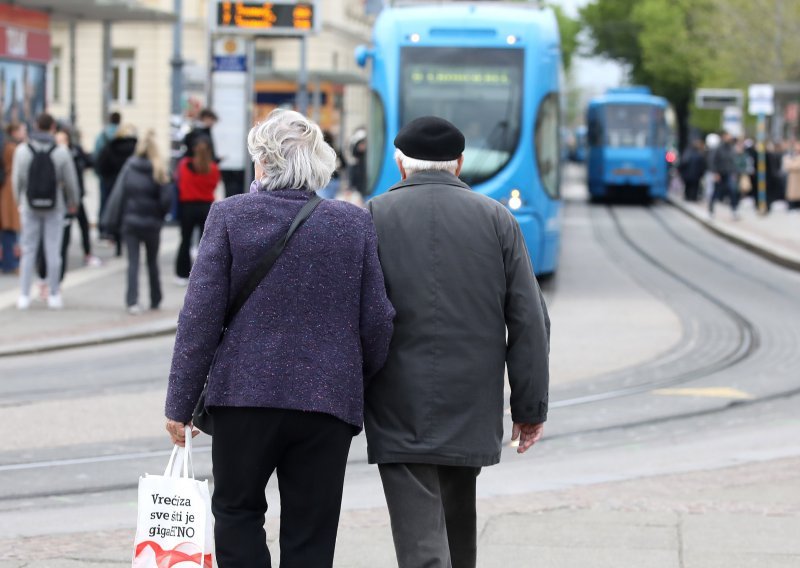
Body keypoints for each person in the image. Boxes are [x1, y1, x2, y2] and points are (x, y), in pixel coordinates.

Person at [164, 109, 395, 567]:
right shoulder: (353, 223)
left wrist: (180, 403)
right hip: (326, 403)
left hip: (242, 398)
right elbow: (378, 321)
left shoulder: (229, 216)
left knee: (236, 512)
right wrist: (349, 374)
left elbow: (199, 318)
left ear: (263, 162)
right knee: (312, 529)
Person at [364, 116, 550, 568]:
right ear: (460, 164)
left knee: (422, 545)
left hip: (396, 399)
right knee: (457, 523)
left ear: (400, 164)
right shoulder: (497, 219)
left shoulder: (371, 216)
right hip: (472, 398)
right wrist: (529, 408)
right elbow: (530, 319)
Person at [13, 113, 79, 310]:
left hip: (29, 205)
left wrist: (20, 201)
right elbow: (71, 181)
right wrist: (73, 201)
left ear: (35, 125)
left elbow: (17, 180)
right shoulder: (60, 152)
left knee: (29, 250)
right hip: (55, 206)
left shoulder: (23, 150)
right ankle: (54, 295)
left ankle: (24, 296)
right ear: (52, 128)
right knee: (53, 251)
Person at [101, 130, 171, 314]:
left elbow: (119, 195)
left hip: (130, 222)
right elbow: (166, 201)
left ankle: (132, 301)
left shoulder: (129, 167)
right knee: (152, 262)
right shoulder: (159, 170)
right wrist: (160, 215)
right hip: (151, 224)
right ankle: (155, 299)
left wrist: (112, 219)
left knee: (132, 262)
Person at [174, 139, 220, 285]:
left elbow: (178, 181)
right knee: (204, 242)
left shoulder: (184, 165)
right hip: (205, 206)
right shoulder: (212, 168)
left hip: (187, 206)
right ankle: (202, 272)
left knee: (185, 240)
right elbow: (214, 184)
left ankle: (182, 273)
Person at [97, 123, 138, 255]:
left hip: (113, 183)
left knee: (115, 212)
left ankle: (117, 240)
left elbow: (101, 165)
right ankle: (129, 238)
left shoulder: (111, 147)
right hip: (132, 185)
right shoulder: (136, 148)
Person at [1, 122, 25, 274]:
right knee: (8, 228)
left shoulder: (7, 145)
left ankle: (9, 262)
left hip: (7, 187)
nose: (25, 133)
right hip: (9, 189)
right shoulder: (12, 148)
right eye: (23, 130)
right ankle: (10, 263)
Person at [93, 111, 121, 223]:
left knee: (103, 201)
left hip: (104, 174)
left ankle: (103, 226)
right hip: (118, 174)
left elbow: (96, 155)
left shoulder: (102, 135)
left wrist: (98, 173)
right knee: (117, 202)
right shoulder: (122, 135)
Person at [708, 131, 739, 219]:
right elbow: (712, 161)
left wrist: (734, 172)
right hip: (720, 173)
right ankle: (711, 211)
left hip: (729, 173)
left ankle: (734, 210)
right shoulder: (718, 148)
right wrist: (715, 173)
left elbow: (733, 162)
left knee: (732, 191)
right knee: (715, 192)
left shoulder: (731, 148)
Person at [783, 140, 800, 211]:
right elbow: (786, 165)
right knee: (792, 192)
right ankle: (792, 205)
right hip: (792, 178)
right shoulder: (790, 155)